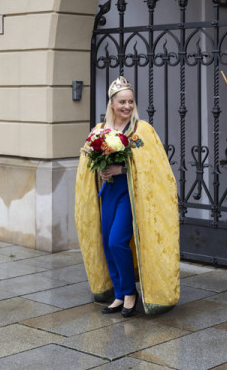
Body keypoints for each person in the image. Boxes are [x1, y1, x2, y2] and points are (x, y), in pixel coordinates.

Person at [75, 76, 180, 317]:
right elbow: (87, 161)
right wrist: (99, 168)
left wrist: (122, 169)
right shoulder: (99, 131)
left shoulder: (143, 130)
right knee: (106, 244)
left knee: (117, 241)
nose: (127, 106)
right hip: (107, 192)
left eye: (130, 101)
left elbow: (155, 165)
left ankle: (131, 293)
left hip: (131, 194)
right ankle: (120, 294)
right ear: (112, 104)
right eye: (122, 102)